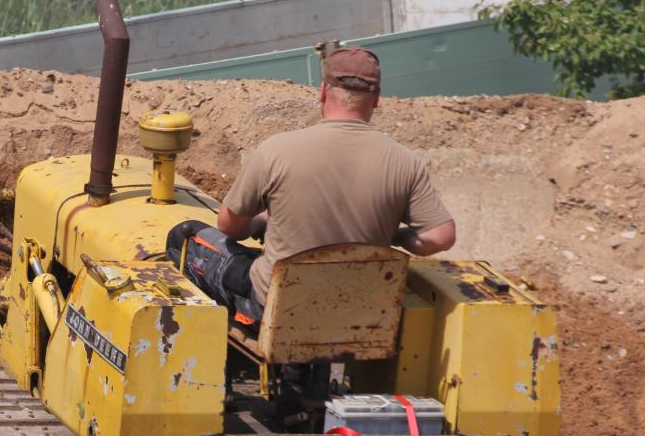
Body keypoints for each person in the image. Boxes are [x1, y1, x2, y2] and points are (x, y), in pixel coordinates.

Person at [166, 46, 455, 327]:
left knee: (184, 238)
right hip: (360, 314)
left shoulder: (276, 150)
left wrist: (258, 223)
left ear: (323, 91)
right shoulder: (405, 162)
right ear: (377, 98)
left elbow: (229, 226)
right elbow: (440, 237)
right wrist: (393, 235)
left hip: (277, 311)